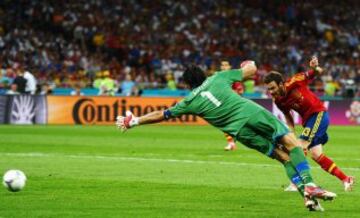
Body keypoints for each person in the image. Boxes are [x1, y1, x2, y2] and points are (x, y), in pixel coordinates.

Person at [116, 61, 336, 211]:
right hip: (252, 114)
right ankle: (309, 185)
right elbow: (251, 70)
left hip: (240, 133)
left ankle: (307, 197)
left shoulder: (188, 101)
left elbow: (161, 115)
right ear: (202, 75)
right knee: (292, 143)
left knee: (282, 157)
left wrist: (134, 121)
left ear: (188, 84)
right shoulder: (217, 78)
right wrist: (246, 63)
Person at [264, 56, 355, 192]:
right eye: (269, 89)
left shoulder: (295, 81)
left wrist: (314, 67)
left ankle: (298, 183)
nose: (271, 92)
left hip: (318, 114)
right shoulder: (278, 101)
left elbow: (318, 72)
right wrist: (291, 134)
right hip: (308, 121)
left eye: (272, 88)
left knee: (299, 147)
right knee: (316, 154)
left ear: (281, 84)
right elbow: (289, 117)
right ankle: (346, 179)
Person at [219, 60, 244, 151]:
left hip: (234, 104)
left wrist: (230, 94)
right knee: (225, 124)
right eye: (222, 65)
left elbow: (240, 91)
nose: (224, 67)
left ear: (229, 67)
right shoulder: (218, 77)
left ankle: (232, 142)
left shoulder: (232, 77)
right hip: (223, 104)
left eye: (226, 65)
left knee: (229, 124)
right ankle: (231, 143)